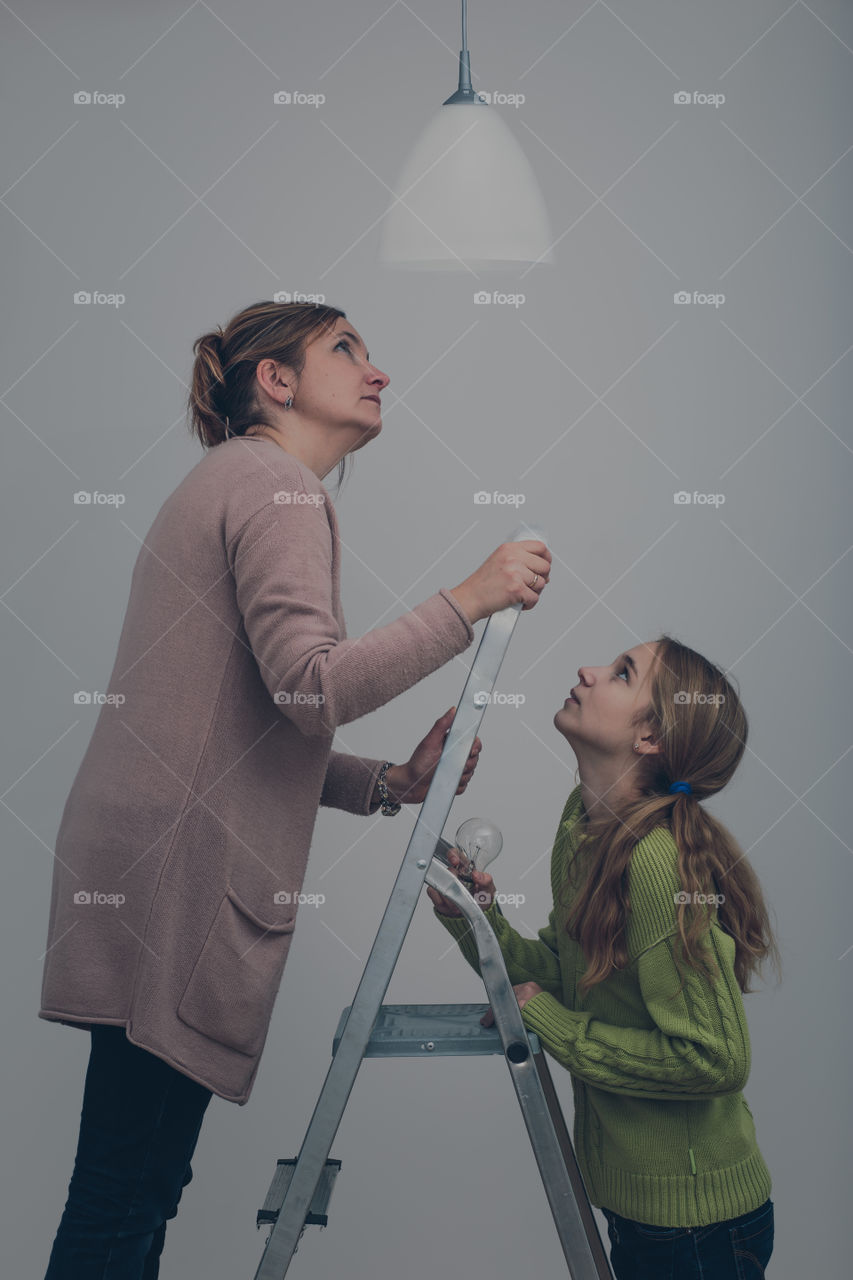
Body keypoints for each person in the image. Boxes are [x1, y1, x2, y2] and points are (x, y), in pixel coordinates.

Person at [39, 299, 552, 1279]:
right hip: (174, 876)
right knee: (125, 1191)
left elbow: (232, 726)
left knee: (133, 1181)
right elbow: (310, 686)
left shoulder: (244, 481)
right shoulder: (273, 485)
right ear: (275, 380)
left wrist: (388, 783)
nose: (378, 371)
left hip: (153, 861)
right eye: (347, 349)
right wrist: (471, 597)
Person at [429, 635, 781, 1280]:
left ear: (651, 737)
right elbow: (571, 977)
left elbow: (716, 1058)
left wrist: (554, 1025)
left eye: (621, 674)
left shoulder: (656, 863)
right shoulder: (582, 827)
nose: (587, 670)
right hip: (638, 1207)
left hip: (698, 1228)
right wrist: (477, 921)